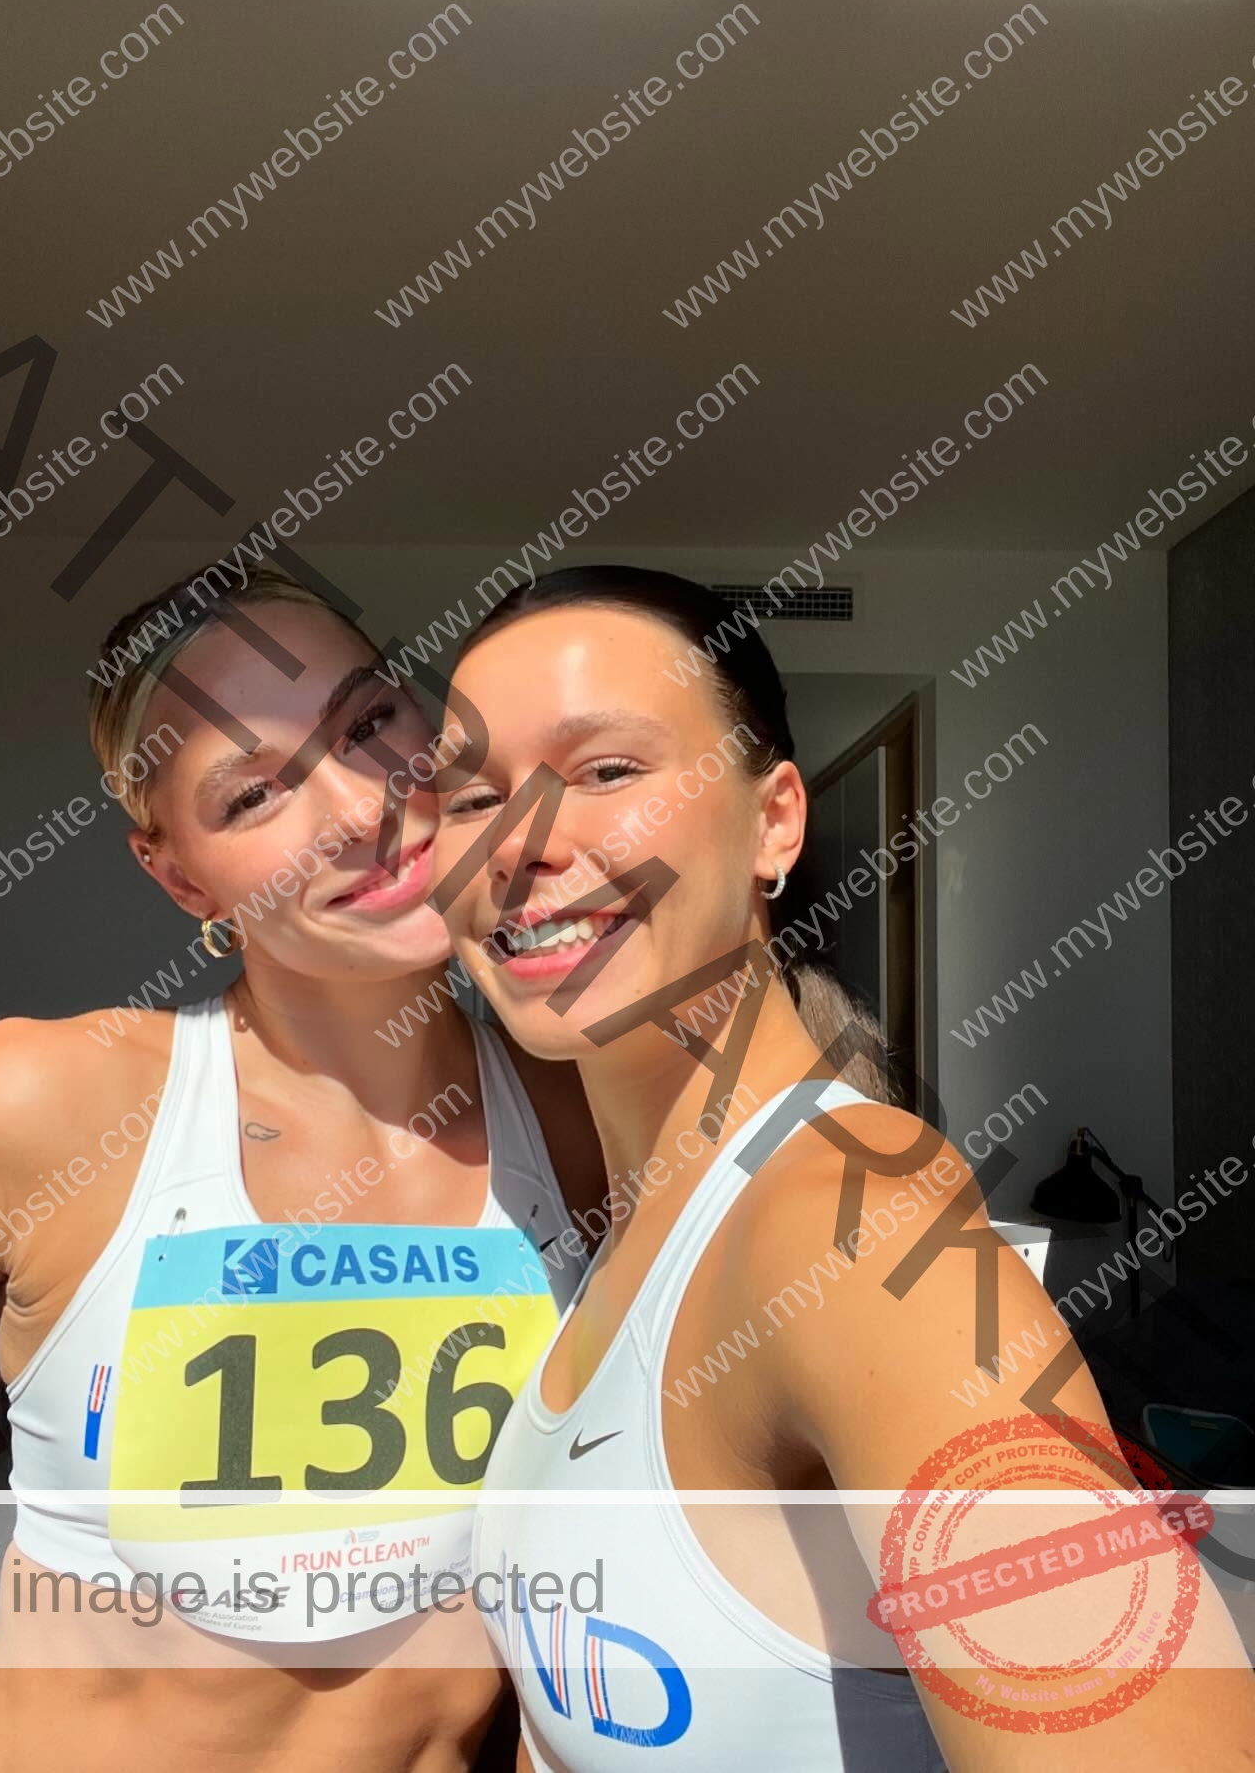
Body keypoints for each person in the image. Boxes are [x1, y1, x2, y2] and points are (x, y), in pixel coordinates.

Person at [429, 565, 1255, 1771]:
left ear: (774, 820)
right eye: (471, 796)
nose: (520, 842)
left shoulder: (846, 1224)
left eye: (607, 769)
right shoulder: (623, 1221)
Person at [0, 567, 605, 1772]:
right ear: (178, 874)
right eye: (253, 794)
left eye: (367, 722)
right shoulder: (39, 1108)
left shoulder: (588, 1118)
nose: (356, 807)